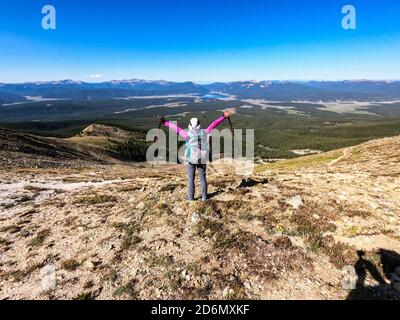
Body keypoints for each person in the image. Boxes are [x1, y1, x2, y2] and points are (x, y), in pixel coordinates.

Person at [158, 110, 234, 201]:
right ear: (199, 125)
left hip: (191, 160)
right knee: (202, 179)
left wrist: (164, 122)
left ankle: (190, 198)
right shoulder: (205, 132)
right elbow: (214, 124)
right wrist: (223, 116)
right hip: (202, 160)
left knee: (191, 180)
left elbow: (176, 128)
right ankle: (204, 197)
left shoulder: (186, 134)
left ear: (190, 125)